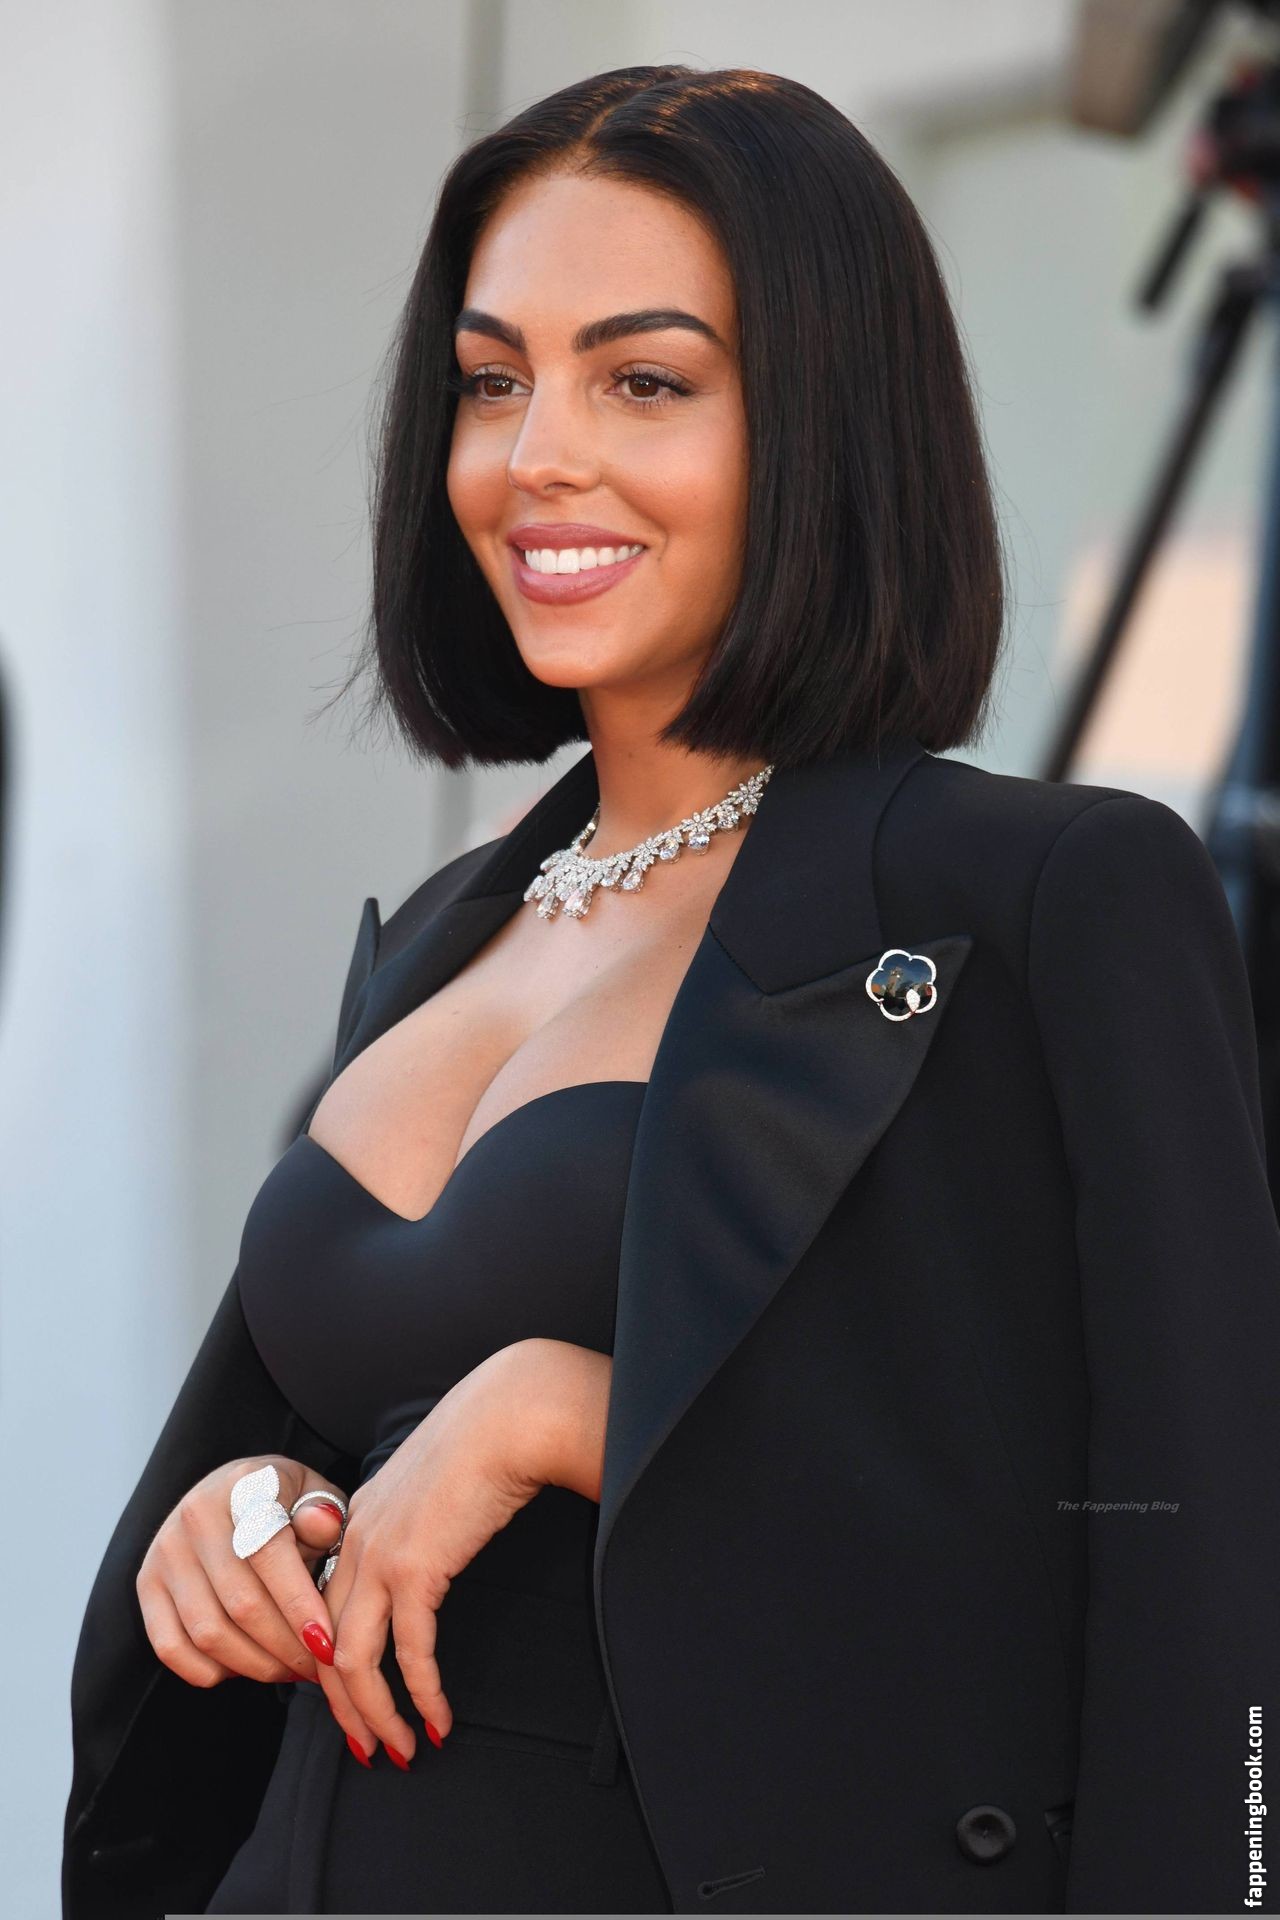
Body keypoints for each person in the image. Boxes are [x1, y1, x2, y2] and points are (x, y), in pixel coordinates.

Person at [62, 63, 1280, 1919]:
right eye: (492, 381)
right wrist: (238, 1521)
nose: (536, 454)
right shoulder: (451, 928)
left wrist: (573, 1414)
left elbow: (1186, 1571)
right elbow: (342, 1440)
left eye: (644, 380)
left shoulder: (1048, 901)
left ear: (828, 424)